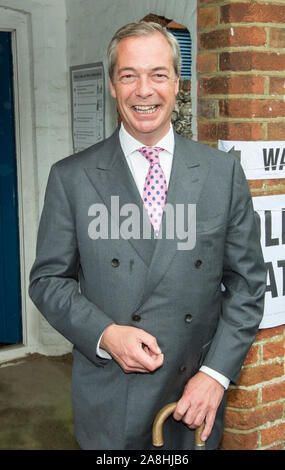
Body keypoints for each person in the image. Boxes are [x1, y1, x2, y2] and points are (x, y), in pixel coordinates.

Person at [29, 21, 266, 450]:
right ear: (113, 86)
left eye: (158, 74)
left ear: (178, 82)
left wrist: (215, 376)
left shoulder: (221, 173)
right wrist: (105, 334)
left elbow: (248, 286)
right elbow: (47, 281)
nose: (144, 90)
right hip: (110, 398)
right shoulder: (72, 178)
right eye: (128, 75)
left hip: (193, 399)